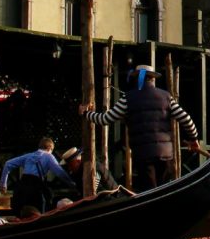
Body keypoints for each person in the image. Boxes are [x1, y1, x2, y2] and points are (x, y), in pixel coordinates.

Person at [81, 64, 199, 192]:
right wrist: (194, 139)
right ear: (152, 79)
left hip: (144, 155)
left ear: (137, 79)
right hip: (166, 154)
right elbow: (187, 120)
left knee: (150, 192)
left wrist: (86, 113)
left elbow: (105, 119)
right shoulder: (166, 97)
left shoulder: (128, 98)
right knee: (164, 191)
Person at [0, 136, 76, 215]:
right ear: (50, 148)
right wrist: (72, 183)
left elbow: (8, 164)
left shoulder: (28, 156)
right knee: (41, 209)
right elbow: (59, 172)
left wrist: (3, 184)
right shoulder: (49, 156)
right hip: (36, 187)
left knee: (22, 211)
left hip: (23, 186)